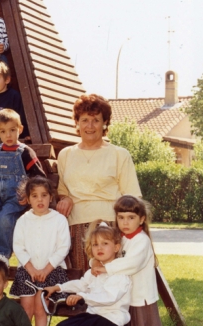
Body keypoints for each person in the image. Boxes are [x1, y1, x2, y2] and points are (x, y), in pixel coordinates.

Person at [45, 221, 138, 326]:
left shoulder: (119, 274)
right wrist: (58, 287)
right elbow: (81, 283)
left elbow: (109, 298)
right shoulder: (95, 271)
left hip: (112, 322)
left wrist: (83, 296)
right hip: (97, 318)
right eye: (95, 244)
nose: (99, 248)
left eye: (105, 244)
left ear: (116, 247)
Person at [56, 94, 141, 271]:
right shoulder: (66, 154)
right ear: (77, 123)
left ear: (105, 123)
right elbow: (63, 189)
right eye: (84, 120)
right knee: (83, 284)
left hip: (110, 226)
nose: (90, 126)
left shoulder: (119, 154)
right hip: (76, 228)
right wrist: (65, 198)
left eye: (96, 120)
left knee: (111, 281)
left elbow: (132, 198)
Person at [91, 196, 162, 326]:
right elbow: (108, 251)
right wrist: (95, 260)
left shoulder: (141, 240)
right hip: (128, 296)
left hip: (141, 297)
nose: (125, 222)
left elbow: (132, 264)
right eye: (121, 217)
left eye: (131, 218)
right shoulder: (120, 238)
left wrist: (105, 268)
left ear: (141, 219)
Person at [7, 176, 71, 326]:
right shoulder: (24, 220)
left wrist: (46, 269)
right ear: (28, 199)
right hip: (28, 270)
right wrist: (32, 269)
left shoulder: (59, 220)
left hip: (51, 271)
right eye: (34, 196)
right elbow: (18, 246)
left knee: (41, 309)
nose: (40, 200)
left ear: (51, 197)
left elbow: (63, 247)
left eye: (44, 195)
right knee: (27, 310)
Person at [0, 109, 45, 267]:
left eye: (13, 130)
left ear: (20, 129)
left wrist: (28, 194)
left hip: (15, 198)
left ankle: (4, 253)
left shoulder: (25, 152)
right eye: (4, 132)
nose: (9, 135)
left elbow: (39, 176)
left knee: (5, 217)